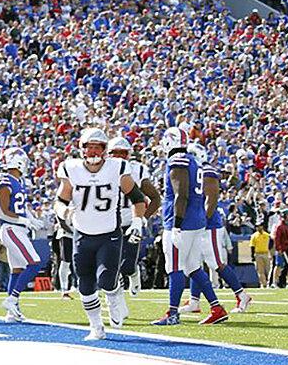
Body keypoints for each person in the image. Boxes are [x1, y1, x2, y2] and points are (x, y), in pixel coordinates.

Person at [54, 128, 147, 340]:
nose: (94, 151)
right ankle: (96, 326)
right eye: (90, 147)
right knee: (85, 284)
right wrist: (64, 212)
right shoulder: (71, 168)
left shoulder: (117, 167)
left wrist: (137, 221)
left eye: (98, 147)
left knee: (106, 280)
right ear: (82, 149)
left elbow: (137, 196)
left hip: (108, 233)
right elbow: (61, 200)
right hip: (82, 234)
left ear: (105, 150)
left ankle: (114, 296)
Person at [152, 127, 229, 326]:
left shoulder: (177, 161)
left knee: (175, 267)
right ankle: (217, 308)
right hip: (197, 221)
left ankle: (173, 313)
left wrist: (176, 224)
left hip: (182, 222)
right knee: (193, 267)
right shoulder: (193, 160)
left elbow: (181, 195)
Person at [183, 143, 252, 313]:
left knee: (216, 263)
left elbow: (211, 200)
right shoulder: (195, 172)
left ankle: (242, 295)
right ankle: (194, 301)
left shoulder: (206, 171)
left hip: (209, 226)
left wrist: (202, 221)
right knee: (194, 263)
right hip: (198, 224)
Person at [0, 149, 43, 323]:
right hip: (11, 228)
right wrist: (24, 221)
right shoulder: (4, 180)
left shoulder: (17, 181)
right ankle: (12, 299)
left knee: (18, 270)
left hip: (17, 228)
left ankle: (12, 313)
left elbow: (21, 207)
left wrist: (31, 218)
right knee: (35, 263)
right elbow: (3, 212)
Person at [107, 136, 160, 297]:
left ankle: (134, 273)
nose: (119, 157)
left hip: (132, 221)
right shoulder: (101, 170)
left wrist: (143, 218)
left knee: (128, 265)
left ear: (128, 155)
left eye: (123, 153)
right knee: (111, 264)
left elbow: (156, 198)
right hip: (109, 222)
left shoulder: (137, 169)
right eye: (115, 153)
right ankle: (117, 297)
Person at [251, 223, 272, 287]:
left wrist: (269, 250)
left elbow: (271, 243)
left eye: (259, 226)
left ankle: (269, 283)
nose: (258, 228)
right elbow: (252, 246)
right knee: (260, 270)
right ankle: (263, 284)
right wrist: (252, 256)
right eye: (257, 227)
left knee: (268, 269)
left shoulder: (267, 235)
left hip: (266, 253)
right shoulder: (254, 236)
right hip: (258, 254)